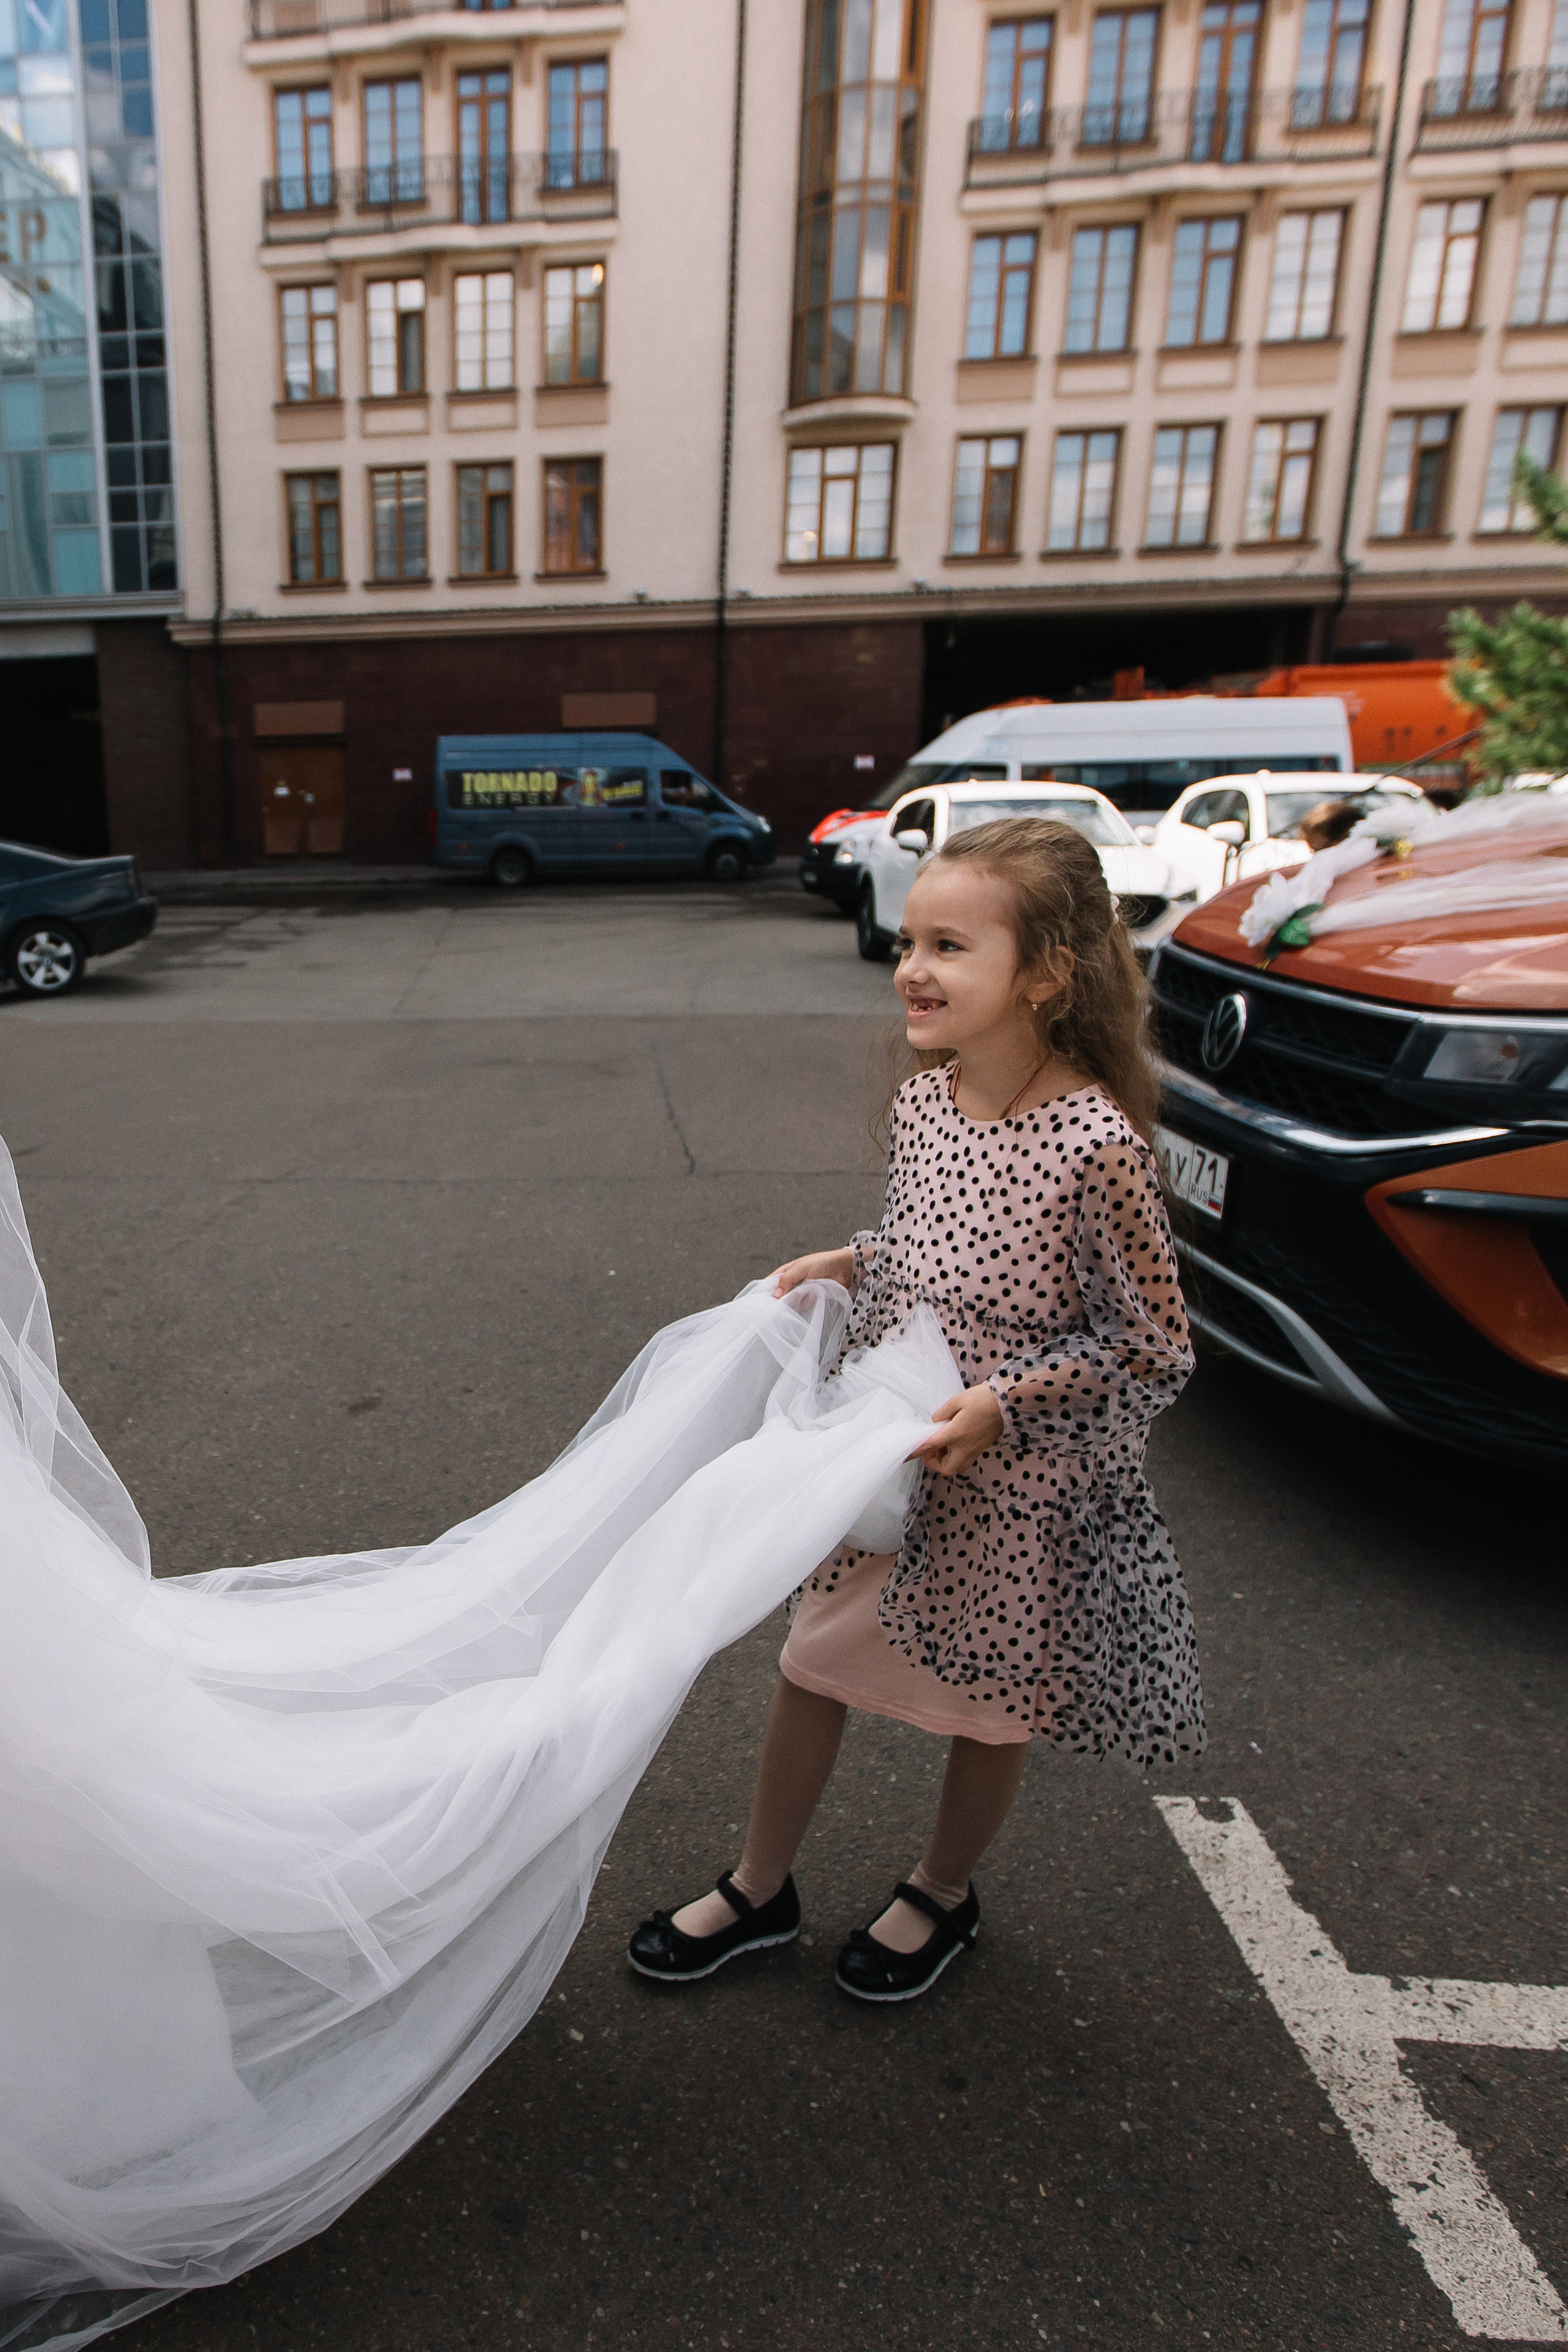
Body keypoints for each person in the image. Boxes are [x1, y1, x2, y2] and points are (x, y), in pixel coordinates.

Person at [627, 818, 1205, 2005]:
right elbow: (939, 1251)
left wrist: (1005, 1402)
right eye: (909, 939)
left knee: (988, 1712)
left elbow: (1150, 1343)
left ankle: (942, 1891)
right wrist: (853, 1257)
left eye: (950, 944)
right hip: (885, 1460)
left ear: (1044, 974)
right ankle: (759, 1885)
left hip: (1014, 1487)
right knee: (809, 1664)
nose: (913, 967)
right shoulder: (924, 1105)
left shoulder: (1094, 1143)